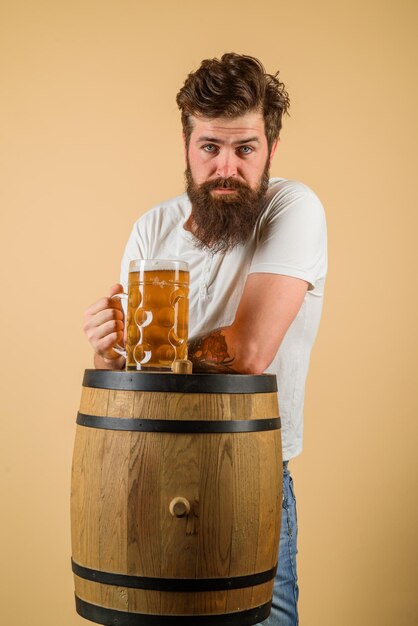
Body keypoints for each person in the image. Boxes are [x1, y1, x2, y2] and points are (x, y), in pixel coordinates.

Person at [83, 52, 327, 626]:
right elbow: (129, 377)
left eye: (245, 149)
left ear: (270, 149)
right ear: (187, 149)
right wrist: (105, 351)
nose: (226, 167)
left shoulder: (293, 208)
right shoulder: (152, 228)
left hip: (247, 470)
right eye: (209, 148)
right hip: (143, 466)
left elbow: (247, 355)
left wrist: (161, 352)